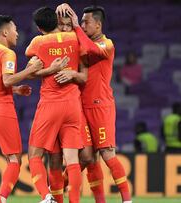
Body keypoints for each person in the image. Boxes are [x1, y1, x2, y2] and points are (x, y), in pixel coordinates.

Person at [0, 15, 68, 203]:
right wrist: (31, 69)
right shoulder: (7, 54)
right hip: (2, 112)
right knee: (14, 160)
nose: (17, 33)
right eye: (14, 29)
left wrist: (15, 90)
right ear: (5, 32)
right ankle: (1, 200)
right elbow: (6, 79)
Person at [56, 4, 132, 203]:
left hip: (100, 105)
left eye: (85, 22)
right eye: (80, 21)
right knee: (88, 158)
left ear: (98, 25)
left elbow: (90, 49)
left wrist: (76, 28)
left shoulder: (107, 45)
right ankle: (56, 194)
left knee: (107, 153)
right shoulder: (81, 41)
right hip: (80, 107)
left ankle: (127, 200)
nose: (81, 24)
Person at [25, 7, 86, 203]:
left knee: (34, 155)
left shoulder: (38, 42)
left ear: (38, 27)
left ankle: (46, 196)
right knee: (72, 160)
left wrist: (48, 66)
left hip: (51, 104)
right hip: (73, 104)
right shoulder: (75, 38)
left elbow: (30, 61)